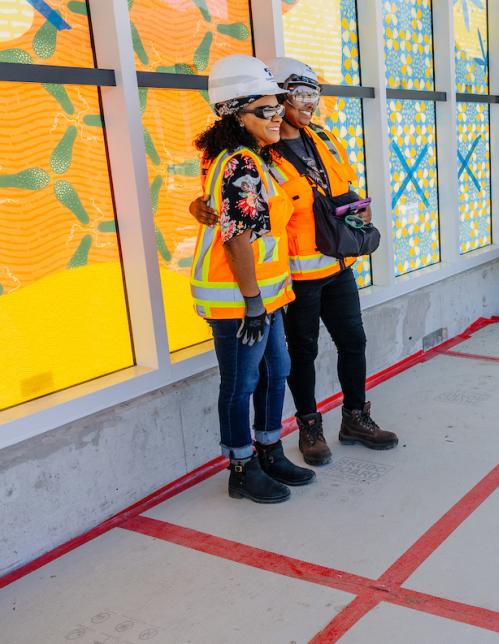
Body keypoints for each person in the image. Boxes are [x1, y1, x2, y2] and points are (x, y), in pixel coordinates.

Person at [191, 57, 398, 467]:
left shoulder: (320, 136)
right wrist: (196, 206)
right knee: (299, 354)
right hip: (295, 276)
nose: (309, 104)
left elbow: (342, 184)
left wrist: (359, 207)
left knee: (352, 342)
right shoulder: (257, 153)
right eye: (298, 95)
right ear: (276, 100)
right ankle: (309, 427)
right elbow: (224, 202)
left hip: (337, 263)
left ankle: (355, 417)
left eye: (314, 94)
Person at [192, 54, 316, 503]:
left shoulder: (247, 159)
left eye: (277, 106)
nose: (277, 115)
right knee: (242, 382)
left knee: (275, 370)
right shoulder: (239, 163)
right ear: (234, 113)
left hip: (266, 294)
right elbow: (237, 240)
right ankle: (241, 466)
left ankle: (269, 449)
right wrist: (252, 304)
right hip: (240, 300)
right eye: (265, 109)